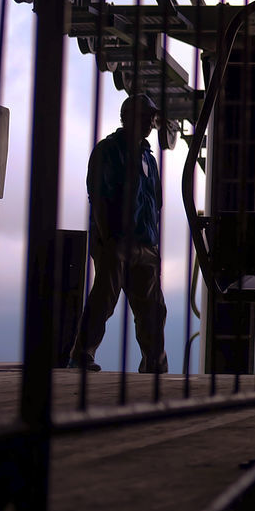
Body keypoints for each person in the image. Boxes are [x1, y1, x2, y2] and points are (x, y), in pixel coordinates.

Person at [69, 93, 168, 373]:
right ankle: (82, 354)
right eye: (144, 116)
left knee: (153, 309)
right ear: (126, 118)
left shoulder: (149, 157)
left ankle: (154, 362)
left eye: (151, 117)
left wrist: (152, 241)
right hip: (117, 241)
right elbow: (98, 196)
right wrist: (109, 238)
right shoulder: (109, 150)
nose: (150, 121)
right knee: (104, 300)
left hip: (145, 244)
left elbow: (154, 202)